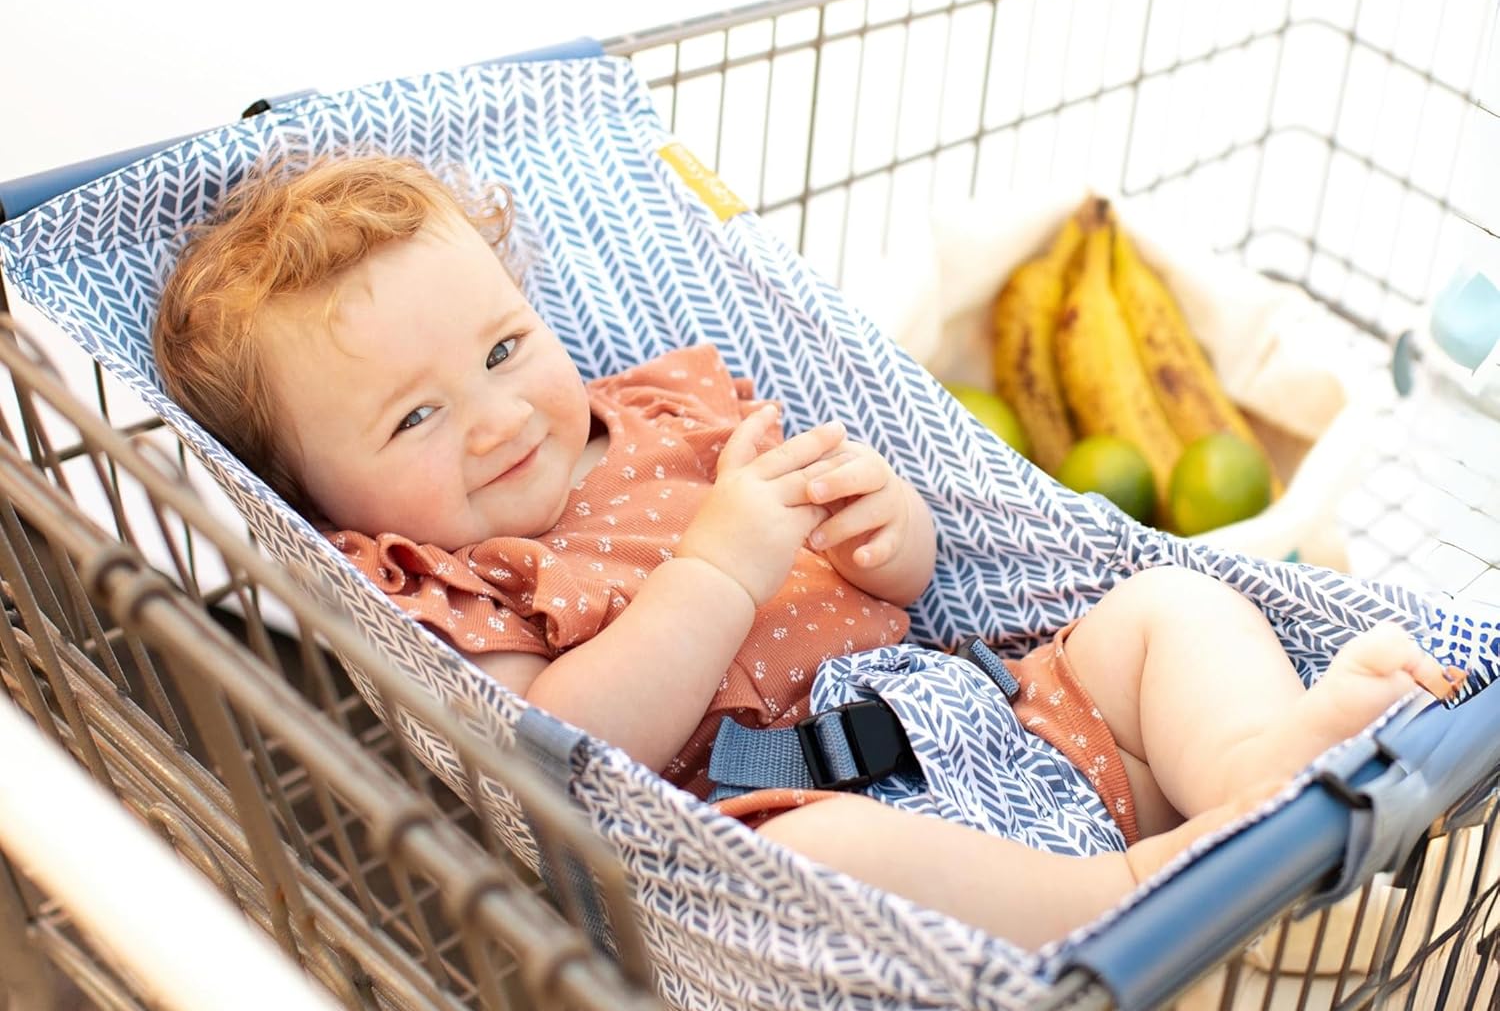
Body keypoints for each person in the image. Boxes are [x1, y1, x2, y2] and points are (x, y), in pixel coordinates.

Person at [152, 155, 1465, 950]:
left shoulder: (663, 408)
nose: (497, 418)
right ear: (317, 500)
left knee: (1163, 605)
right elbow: (559, 742)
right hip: (795, 815)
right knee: (829, 860)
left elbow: (886, 577)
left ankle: (1248, 765)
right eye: (416, 415)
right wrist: (715, 571)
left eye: (504, 350)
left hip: (995, 710)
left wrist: (891, 526)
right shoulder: (435, 579)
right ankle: (1145, 887)